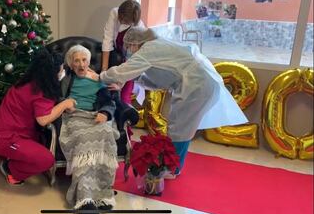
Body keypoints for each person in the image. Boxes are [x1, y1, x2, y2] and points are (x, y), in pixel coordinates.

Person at [99, 27, 248, 178]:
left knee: (180, 129)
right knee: (181, 127)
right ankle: (173, 166)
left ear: (135, 43)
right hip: (198, 82)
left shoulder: (148, 49)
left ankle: (172, 168)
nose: (128, 51)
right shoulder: (157, 46)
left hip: (196, 85)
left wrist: (101, 76)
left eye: (128, 47)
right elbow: (159, 80)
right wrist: (132, 78)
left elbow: (124, 70)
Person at [0, 49, 76, 186]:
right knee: (46, 160)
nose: (62, 71)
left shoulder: (29, 80)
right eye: (60, 69)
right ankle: (10, 169)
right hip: (4, 137)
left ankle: (13, 156)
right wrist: (65, 104)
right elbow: (43, 119)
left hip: (5, 131)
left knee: (37, 146)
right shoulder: (41, 90)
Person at [60, 45, 119, 214]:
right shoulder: (65, 79)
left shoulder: (98, 79)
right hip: (75, 117)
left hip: (95, 115)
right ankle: (85, 199)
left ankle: (102, 195)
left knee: (107, 134)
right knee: (82, 138)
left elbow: (110, 100)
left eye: (84, 60)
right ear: (71, 64)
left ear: (88, 62)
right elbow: (56, 96)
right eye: (76, 60)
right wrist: (65, 104)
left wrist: (105, 113)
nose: (81, 64)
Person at [101, 0, 145, 105]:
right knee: (108, 89)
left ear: (132, 22)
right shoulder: (114, 13)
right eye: (120, 17)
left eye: (124, 21)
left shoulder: (139, 28)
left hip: (132, 59)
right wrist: (104, 70)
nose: (120, 20)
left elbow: (131, 60)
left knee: (125, 94)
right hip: (116, 53)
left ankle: (126, 114)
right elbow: (107, 41)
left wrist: (120, 83)